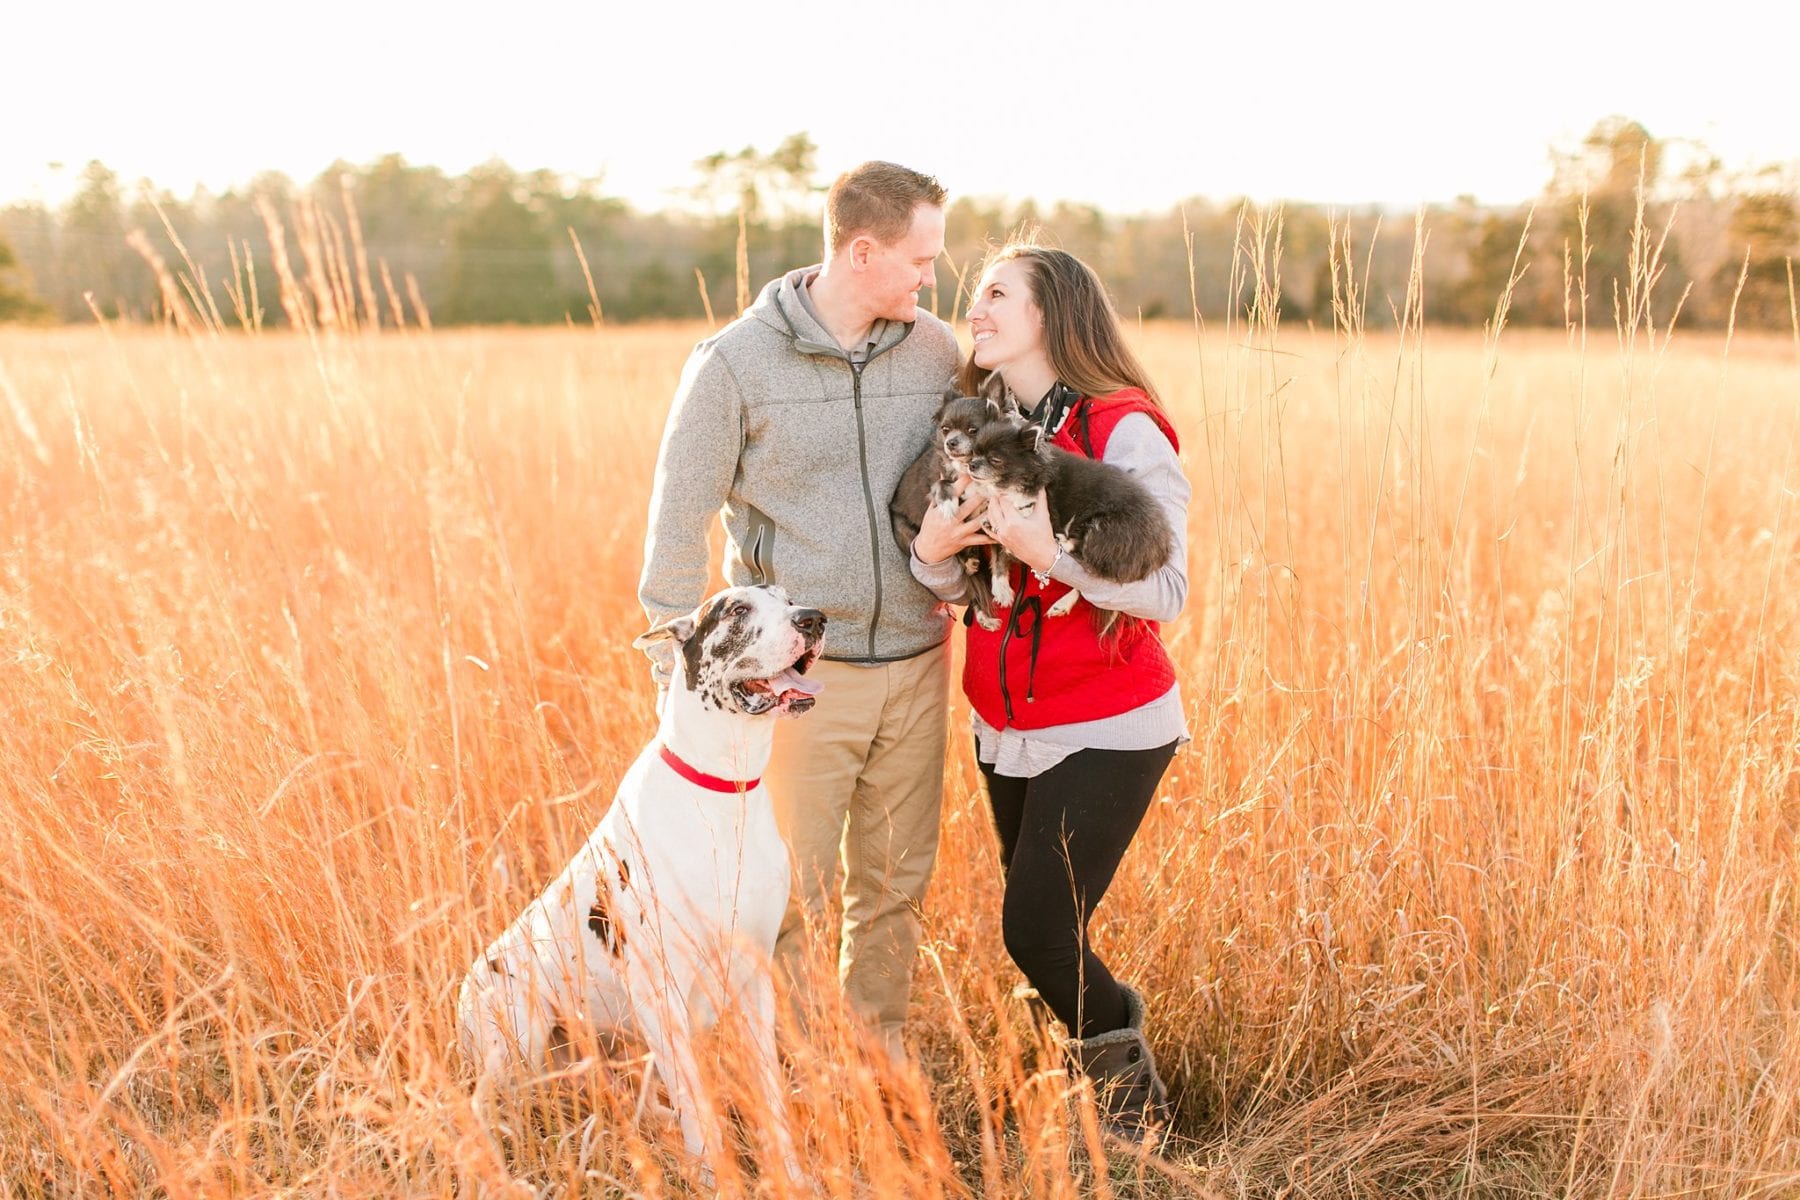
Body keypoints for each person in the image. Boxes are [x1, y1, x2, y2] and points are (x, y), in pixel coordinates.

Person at [638, 162, 959, 1065]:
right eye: (919, 259)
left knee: (895, 882)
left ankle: (878, 1062)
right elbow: (675, 536)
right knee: (797, 892)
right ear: (862, 252)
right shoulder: (733, 364)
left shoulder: (934, 351)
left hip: (920, 658)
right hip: (800, 682)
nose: (930, 279)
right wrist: (689, 692)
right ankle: (804, 1077)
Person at [910, 244, 1190, 1140]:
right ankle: (1076, 1086)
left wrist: (1053, 557)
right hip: (1005, 723)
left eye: (997, 294)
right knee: (1050, 928)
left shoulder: (1122, 428)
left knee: (1034, 930)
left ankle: (1134, 1133)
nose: (975, 308)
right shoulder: (979, 428)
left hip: (1110, 722)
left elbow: (1166, 591)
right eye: (975, 293)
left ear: (1052, 314)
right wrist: (935, 559)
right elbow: (973, 595)